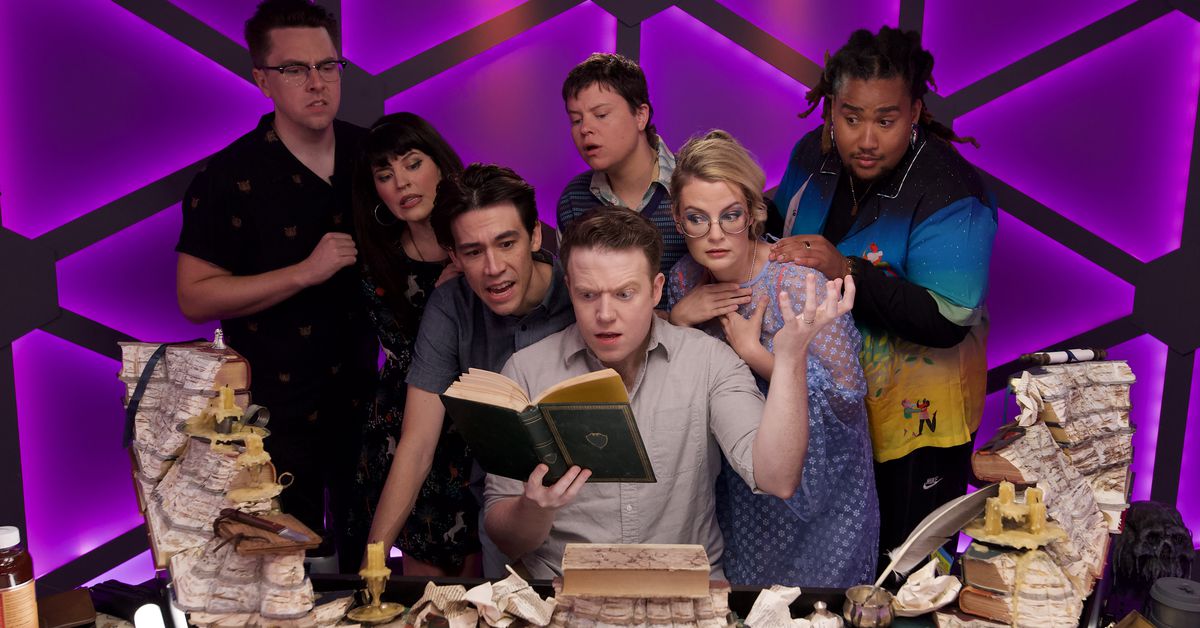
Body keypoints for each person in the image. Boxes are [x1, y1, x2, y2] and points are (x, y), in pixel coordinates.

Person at [484, 208, 855, 579]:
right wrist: (534, 507)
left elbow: (777, 478)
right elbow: (506, 540)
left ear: (656, 289)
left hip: (685, 586)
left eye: (625, 294)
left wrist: (789, 359)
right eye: (588, 295)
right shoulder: (526, 372)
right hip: (562, 587)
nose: (605, 314)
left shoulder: (708, 360)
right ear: (570, 290)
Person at [769, 26, 998, 568]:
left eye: (886, 120)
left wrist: (845, 268)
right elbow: (779, 230)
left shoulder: (951, 190)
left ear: (914, 112)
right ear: (831, 109)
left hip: (917, 419)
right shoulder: (813, 154)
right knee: (829, 565)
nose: (866, 139)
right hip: (830, 404)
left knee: (908, 572)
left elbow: (946, 321)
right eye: (851, 118)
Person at [175, 0, 377, 566]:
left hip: (369, 402)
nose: (317, 82)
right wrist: (303, 273)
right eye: (294, 69)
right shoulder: (228, 177)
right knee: (289, 572)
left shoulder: (373, 156)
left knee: (374, 563)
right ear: (262, 79)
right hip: (274, 418)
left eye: (328, 66)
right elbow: (193, 296)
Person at [666, 130, 877, 587]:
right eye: (697, 218)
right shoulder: (683, 281)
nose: (715, 235)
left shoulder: (799, 282)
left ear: (753, 212)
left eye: (730, 215)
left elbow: (846, 397)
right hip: (737, 487)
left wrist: (757, 355)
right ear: (678, 220)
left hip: (820, 497)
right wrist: (676, 321)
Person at [365, 164, 575, 577]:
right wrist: (371, 566)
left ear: (535, 235)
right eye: (474, 252)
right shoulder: (450, 306)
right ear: (454, 256)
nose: (493, 267)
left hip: (590, 518)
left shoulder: (581, 291)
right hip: (503, 518)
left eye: (506, 243)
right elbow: (417, 446)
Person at [344, 112, 468, 574]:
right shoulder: (377, 260)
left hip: (477, 417)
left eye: (413, 164)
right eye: (385, 175)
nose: (402, 183)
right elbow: (411, 351)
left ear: (441, 166)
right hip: (402, 420)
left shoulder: (482, 246)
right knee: (420, 583)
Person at [555, 53, 683, 309]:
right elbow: (576, 299)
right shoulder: (573, 200)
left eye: (601, 115)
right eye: (576, 120)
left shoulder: (694, 184)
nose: (585, 129)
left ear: (640, 116)